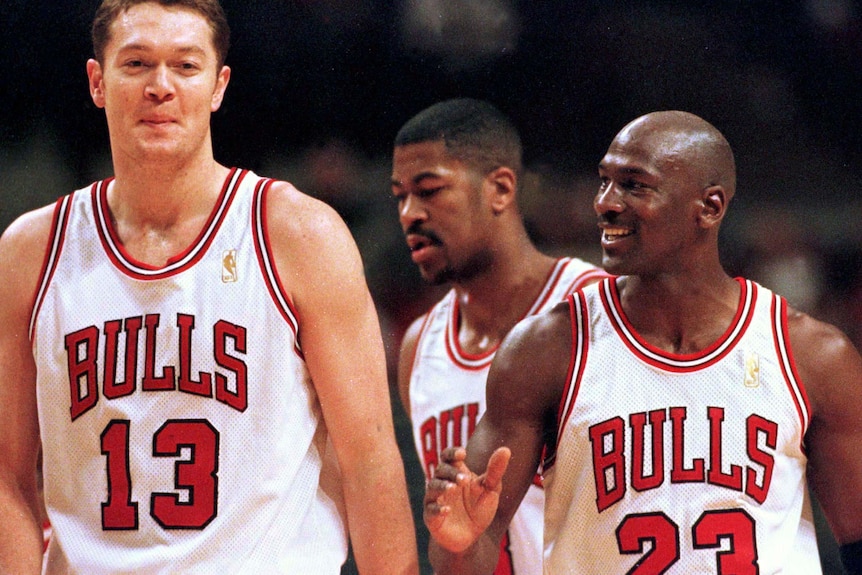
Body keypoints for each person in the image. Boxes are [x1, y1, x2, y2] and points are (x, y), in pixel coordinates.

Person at [0, 1, 419, 573]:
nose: (161, 87)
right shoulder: (30, 253)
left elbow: (370, 463)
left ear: (219, 85)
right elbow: (8, 478)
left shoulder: (297, 235)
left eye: (186, 66)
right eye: (137, 64)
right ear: (97, 81)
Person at [423, 110, 862, 574]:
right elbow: (470, 548)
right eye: (604, 182)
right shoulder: (547, 349)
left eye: (634, 185)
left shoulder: (812, 356)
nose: (605, 203)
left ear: (709, 208)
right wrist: (458, 543)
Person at [391, 98, 608, 574]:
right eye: (400, 197)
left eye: (429, 191)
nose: (409, 213)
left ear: (501, 189)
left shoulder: (595, 308)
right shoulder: (419, 346)